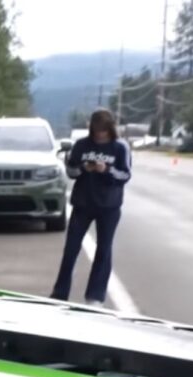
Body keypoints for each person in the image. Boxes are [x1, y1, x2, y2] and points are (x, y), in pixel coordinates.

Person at [50, 108, 131, 307]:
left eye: (103, 130)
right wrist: (83, 169)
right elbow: (70, 171)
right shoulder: (81, 145)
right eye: (96, 130)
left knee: (104, 249)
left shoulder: (120, 147)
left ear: (110, 129)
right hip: (83, 203)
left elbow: (125, 175)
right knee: (70, 248)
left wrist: (107, 169)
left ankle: (95, 295)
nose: (99, 134)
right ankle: (60, 292)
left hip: (109, 206)